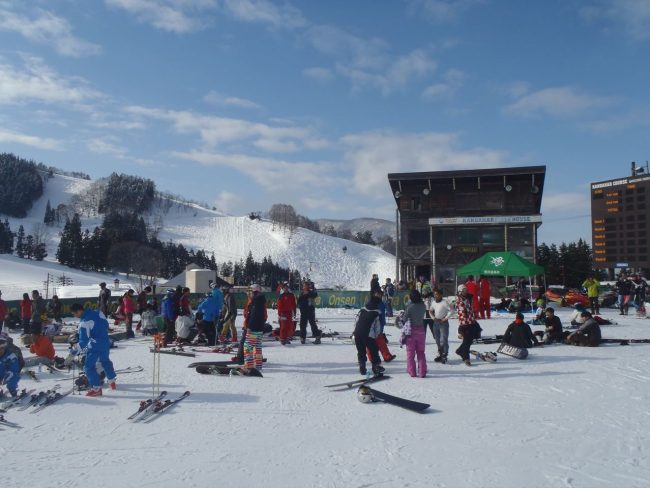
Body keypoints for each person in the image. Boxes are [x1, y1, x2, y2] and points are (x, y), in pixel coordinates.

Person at [70, 303, 117, 396]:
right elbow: (106, 325)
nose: (75, 316)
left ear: (79, 311)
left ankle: (96, 389)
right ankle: (112, 382)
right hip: (105, 342)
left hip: (95, 345)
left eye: (74, 314)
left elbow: (83, 342)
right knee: (105, 361)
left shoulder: (84, 322)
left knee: (88, 367)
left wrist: (73, 352)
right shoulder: (99, 313)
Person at [353, 294, 384, 376]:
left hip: (357, 334)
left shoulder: (362, 310)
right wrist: (376, 335)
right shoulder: (377, 313)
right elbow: (377, 328)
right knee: (374, 350)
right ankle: (376, 367)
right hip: (368, 336)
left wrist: (355, 331)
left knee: (361, 351)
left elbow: (356, 321)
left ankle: (362, 367)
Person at [404, 289, 427, 378]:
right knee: (421, 352)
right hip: (421, 330)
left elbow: (405, 319)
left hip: (411, 331)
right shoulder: (423, 306)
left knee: (410, 352)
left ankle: (412, 371)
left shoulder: (410, 307)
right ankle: (422, 371)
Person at [244, 284, 266, 371]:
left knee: (248, 347)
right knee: (257, 347)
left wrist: (250, 326)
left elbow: (254, 315)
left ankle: (249, 366)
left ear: (254, 291)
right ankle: (258, 365)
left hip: (254, 328)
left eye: (250, 292)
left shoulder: (256, 301)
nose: (249, 294)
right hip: (259, 327)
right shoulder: (260, 300)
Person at [455, 284, 477, 366]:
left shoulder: (467, 298)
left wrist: (473, 317)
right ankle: (466, 358)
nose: (466, 292)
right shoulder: (459, 300)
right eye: (464, 290)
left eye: (466, 290)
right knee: (467, 341)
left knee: (469, 340)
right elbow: (463, 311)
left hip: (471, 321)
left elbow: (470, 309)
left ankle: (460, 350)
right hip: (464, 323)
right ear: (460, 292)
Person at [429, 289, 451, 363]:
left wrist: (445, 318)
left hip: (443, 323)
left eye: (437, 294)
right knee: (437, 340)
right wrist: (433, 317)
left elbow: (452, 310)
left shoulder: (445, 302)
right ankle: (440, 354)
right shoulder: (434, 302)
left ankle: (444, 355)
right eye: (435, 294)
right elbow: (430, 310)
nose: (436, 296)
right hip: (436, 322)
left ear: (441, 295)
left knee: (443, 340)